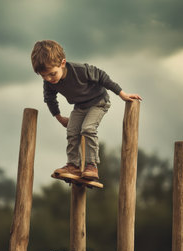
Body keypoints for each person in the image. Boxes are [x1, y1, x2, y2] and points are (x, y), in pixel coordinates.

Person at [31, 40, 142, 181]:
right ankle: (73, 166)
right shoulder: (48, 82)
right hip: (80, 106)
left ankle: (91, 165)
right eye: (44, 76)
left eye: (52, 74)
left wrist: (122, 94)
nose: (48, 79)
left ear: (62, 63)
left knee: (87, 129)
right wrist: (60, 118)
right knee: (72, 131)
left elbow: (102, 77)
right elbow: (50, 99)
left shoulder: (80, 70)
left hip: (98, 101)